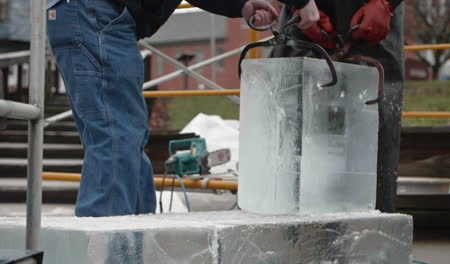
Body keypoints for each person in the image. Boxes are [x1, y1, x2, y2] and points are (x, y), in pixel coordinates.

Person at [45, 0, 319, 217]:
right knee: (116, 139)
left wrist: (240, 5)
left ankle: (130, 247)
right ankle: (104, 251)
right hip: (97, 13)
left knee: (126, 142)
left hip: (98, 15)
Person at [271, 0, 404, 213]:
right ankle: (293, 237)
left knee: (372, 134)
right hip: (303, 20)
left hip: (372, 18)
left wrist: (386, 3)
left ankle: (370, 237)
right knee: (292, 131)